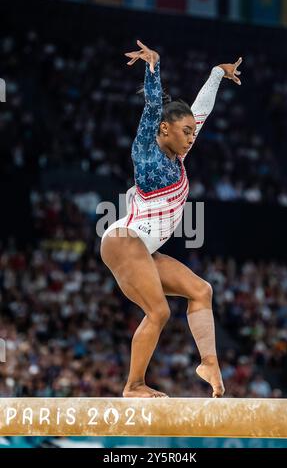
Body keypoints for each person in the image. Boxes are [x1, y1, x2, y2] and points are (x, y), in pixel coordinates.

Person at [101, 40, 242, 398]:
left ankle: (209, 362)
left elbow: (201, 111)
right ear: (165, 130)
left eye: (193, 133)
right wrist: (154, 67)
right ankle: (133, 385)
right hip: (122, 241)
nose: (191, 138)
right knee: (159, 312)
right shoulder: (148, 151)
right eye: (185, 132)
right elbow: (152, 106)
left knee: (200, 291)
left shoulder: (179, 147)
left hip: (142, 248)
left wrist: (215, 75)